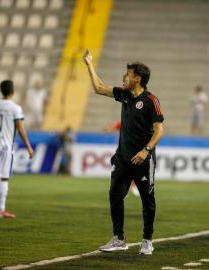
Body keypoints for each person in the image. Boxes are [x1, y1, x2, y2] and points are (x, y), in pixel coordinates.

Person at [83, 49, 164, 255]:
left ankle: (147, 239)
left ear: (137, 78)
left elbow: (159, 131)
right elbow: (99, 88)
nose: (124, 76)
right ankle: (119, 238)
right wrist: (89, 64)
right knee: (114, 195)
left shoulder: (151, 101)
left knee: (148, 200)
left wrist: (146, 151)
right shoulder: (124, 95)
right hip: (123, 158)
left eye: (127, 74)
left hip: (143, 160)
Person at [0, 80, 34, 218]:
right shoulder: (15, 108)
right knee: (4, 178)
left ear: (1, 91)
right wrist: (28, 146)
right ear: (12, 91)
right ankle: (1, 210)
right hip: (6, 147)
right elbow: (20, 128)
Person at [105, 120, 140, 197]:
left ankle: (128, 186)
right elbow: (111, 129)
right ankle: (124, 187)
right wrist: (107, 129)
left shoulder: (135, 122)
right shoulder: (122, 122)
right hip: (123, 149)